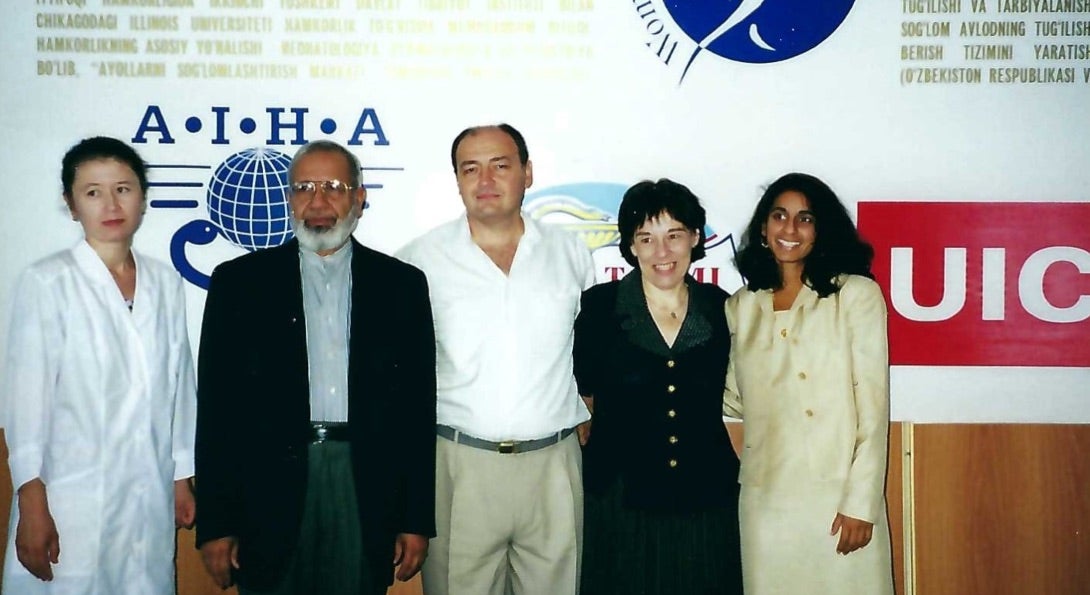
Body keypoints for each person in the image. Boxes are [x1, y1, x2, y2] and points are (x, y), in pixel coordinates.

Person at [194, 140, 436, 595]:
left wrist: (414, 517)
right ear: (288, 198)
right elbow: (218, 413)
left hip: (364, 481)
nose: (318, 202)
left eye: (334, 187)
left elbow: (416, 412)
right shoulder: (239, 284)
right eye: (304, 187)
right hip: (268, 483)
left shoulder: (400, 285)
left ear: (359, 198)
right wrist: (217, 522)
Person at [397, 123, 594, 595]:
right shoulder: (417, 263)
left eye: (500, 165)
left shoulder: (570, 253)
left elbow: (590, 352)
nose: (485, 180)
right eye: (471, 168)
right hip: (460, 466)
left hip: (554, 464)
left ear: (527, 174)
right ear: (458, 180)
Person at [0, 136, 196, 594]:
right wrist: (30, 498)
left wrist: (181, 474)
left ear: (142, 198)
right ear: (72, 205)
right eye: (93, 192)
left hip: (146, 491)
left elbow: (180, 384)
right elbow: (27, 398)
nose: (111, 204)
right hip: (69, 495)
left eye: (123, 189)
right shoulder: (48, 281)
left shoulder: (164, 283)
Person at [723, 172, 894, 594]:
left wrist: (861, 504)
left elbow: (873, 409)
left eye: (805, 218)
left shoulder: (855, 296)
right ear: (763, 229)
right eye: (779, 216)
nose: (790, 229)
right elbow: (731, 404)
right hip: (766, 507)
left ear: (821, 230)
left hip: (838, 502)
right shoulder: (741, 307)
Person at [574, 179, 743, 595]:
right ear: (630, 246)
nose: (661, 252)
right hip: (620, 499)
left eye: (674, 236)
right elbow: (586, 392)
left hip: (705, 496)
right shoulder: (600, 307)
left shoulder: (721, 307)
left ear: (695, 238)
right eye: (646, 238)